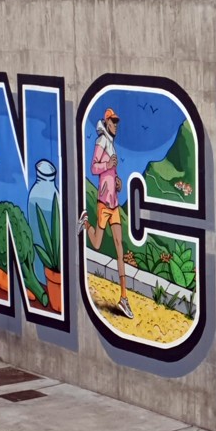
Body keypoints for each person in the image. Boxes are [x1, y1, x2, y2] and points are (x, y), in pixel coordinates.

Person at [80, 108, 134, 320]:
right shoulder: (101, 141)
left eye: (117, 122)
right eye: (113, 122)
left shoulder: (111, 143)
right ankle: (86, 222)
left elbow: (111, 173)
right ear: (106, 122)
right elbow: (94, 168)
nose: (116, 125)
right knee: (96, 243)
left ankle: (124, 297)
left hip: (114, 204)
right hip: (104, 202)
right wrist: (107, 165)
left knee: (120, 248)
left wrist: (117, 182)